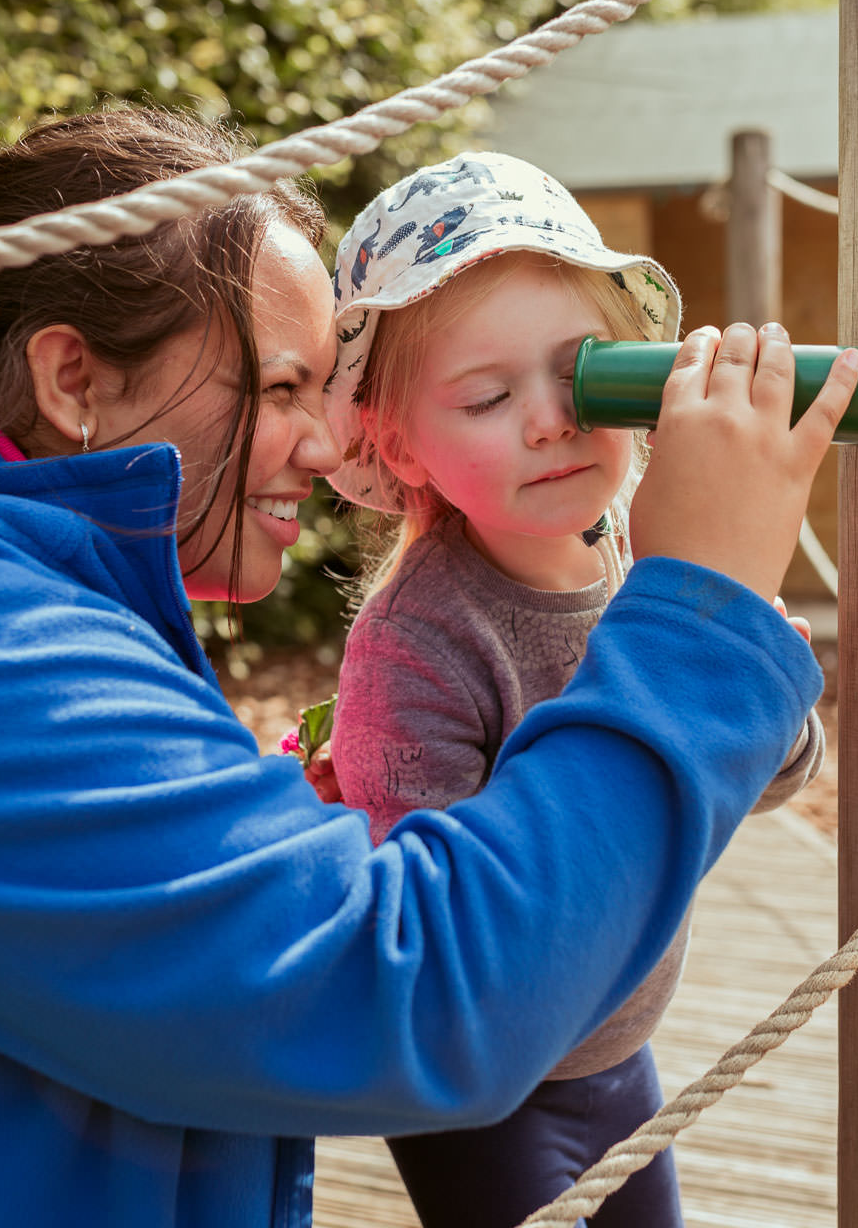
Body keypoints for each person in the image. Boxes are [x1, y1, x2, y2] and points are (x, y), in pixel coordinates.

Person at [0, 107, 858, 1228]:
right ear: (77, 379)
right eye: (278, 388)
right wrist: (698, 604)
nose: (325, 449)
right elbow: (406, 999)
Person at [321, 153, 826, 1228]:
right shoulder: (415, 644)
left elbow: (764, 779)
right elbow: (442, 927)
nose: (550, 418)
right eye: (489, 397)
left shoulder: (644, 557)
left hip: (621, 1046)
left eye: (584, 371)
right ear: (396, 440)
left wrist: (745, 666)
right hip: (484, 1087)